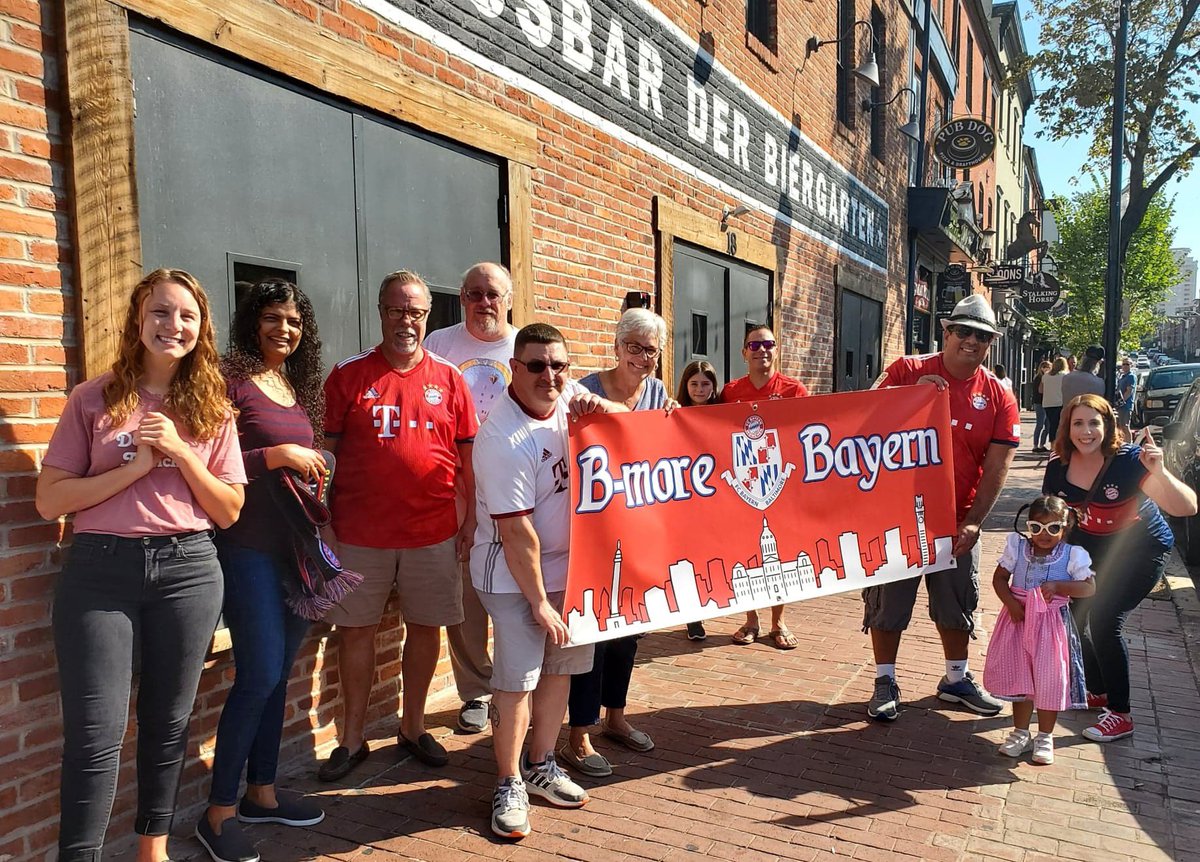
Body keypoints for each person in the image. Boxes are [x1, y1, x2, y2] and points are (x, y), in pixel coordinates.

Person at [37, 269, 246, 862]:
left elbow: (229, 510)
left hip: (188, 569)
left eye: (186, 316)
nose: (172, 326)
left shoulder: (213, 408)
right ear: (137, 318)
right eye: (160, 312)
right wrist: (132, 469)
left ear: (201, 328)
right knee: (95, 735)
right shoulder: (94, 399)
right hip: (100, 571)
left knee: (168, 723)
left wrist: (180, 452)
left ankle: (151, 850)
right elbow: (51, 500)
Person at [318, 270, 478, 781]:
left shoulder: (450, 378)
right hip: (359, 533)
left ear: (428, 316)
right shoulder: (348, 376)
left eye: (415, 311)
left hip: (431, 532)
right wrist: (323, 521)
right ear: (381, 311)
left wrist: (469, 519)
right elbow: (329, 455)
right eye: (396, 309)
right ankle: (351, 738)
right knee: (355, 632)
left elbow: (466, 460)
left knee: (426, 628)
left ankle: (411, 728)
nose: (405, 320)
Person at [472, 323, 626, 839]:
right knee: (517, 679)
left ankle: (540, 763)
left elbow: (631, 427)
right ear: (514, 369)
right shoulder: (502, 435)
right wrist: (540, 602)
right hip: (514, 576)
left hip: (571, 568)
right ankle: (508, 780)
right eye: (536, 365)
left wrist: (604, 410)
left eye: (558, 364)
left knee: (561, 669)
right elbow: (516, 533)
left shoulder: (569, 395)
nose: (549, 375)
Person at [195, 280, 328, 862]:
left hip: (294, 551)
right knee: (258, 674)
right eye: (273, 318)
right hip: (245, 547)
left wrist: (318, 465)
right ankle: (218, 812)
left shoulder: (294, 388)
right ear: (252, 321)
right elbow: (200, 461)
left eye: (294, 321)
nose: (285, 329)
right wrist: (274, 456)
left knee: (277, 675)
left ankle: (262, 793)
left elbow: (302, 454)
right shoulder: (229, 381)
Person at [865, 294, 1018, 722]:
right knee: (887, 602)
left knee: (957, 602)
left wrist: (974, 523)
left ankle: (956, 678)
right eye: (963, 331)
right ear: (946, 332)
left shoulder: (999, 396)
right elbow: (859, 423)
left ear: (990, 344)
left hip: (956, 520)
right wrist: (907, 398)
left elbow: (997, 468)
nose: (971, 341)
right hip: (897, 517)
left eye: (982, 336)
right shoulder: (907, 371)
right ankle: (884, 679)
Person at [561, 308, 676, 778]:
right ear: (617, 345)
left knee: (629, 630)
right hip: (591, 534)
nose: (642, 358)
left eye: (651, 350)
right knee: (593, 637)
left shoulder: (658, 392)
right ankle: (578, 735)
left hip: (638, 530)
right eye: (634, 347)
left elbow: (672, 448)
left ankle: (616, 717)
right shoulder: (585, 389)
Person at [1042, 396, 1197, 742]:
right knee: (1072, 615)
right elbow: (1058, 521)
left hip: (1141, 550)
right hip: (1095, 550)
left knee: (1105, 620)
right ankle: (1097, 690)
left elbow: (1186, 506)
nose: (1086, 431)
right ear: (1066, 428)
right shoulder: (1057, 468)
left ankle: (1121, 714)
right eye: (1077, 423)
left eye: (1094, 422)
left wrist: (1160, 471)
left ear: (1108, 425)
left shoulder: (1129, 462)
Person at [424, 262, 517, 734]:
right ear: (462, 298)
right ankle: (475, 691)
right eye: (474, 294)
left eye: (493, 294)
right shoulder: (438, 345)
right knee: (466, 594)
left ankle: (514, 680)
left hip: (517, 487)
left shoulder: (526, 346)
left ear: (509, 299)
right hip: (457, 488)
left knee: (517, 584)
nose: (484, 302)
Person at [983, 495, 1095, 766]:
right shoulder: (1018, 548)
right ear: (1028, 526)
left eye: (1053, 528)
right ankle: (1020, 733)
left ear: (1065, 526)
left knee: (1048, 679)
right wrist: (1010, 604)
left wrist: (1059, 587)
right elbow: (999, 578)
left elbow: (1089, 587)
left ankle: (1045, 736)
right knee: (1020, 677)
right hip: (1018, 620)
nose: (1044, 535)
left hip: (1050, 625)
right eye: (1036, 527)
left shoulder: (1072, 556)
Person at [720, 326, 809, 650]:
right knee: (747, 550)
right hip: (744, 486)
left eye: (768, 344)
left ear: (777, 349)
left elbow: (808, 432)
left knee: (779, 551)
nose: (762, 350)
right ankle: (751, 619)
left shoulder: (793, 390)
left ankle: (778, 621)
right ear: (744, 352)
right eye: (754, 345)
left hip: (780, 485)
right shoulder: (730, 392)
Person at [675, 360, 721, 642]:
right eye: (694, 384)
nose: (700, 389)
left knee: (707, 558)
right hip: (684, 498)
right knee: (684, 558)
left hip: (715, 498)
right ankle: (693, 618)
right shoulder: (675, 413)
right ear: (686, 386)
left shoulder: (724, 415)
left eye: (705, 384)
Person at [1040, 357, 1068, 444]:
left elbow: (1040, 390)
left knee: (1052, 424)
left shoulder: (1046, 376)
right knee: (1060, 425)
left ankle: (1053, 444)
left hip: (1047, 403)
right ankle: (1058, 444)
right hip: (1060, 403)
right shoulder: (1065, 376)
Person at [1115, 357, 1137, 439]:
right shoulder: (1122, 376)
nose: (1125, 366)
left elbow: (1129, 391)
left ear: (1131, 365)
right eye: (1123, 364)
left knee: (1125, 426)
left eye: (1127, 364)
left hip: (1126, 405)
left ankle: (1129, 443)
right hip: (1121, 406)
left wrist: (1121, 401)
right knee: (1121, 426)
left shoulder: (1131, 376)